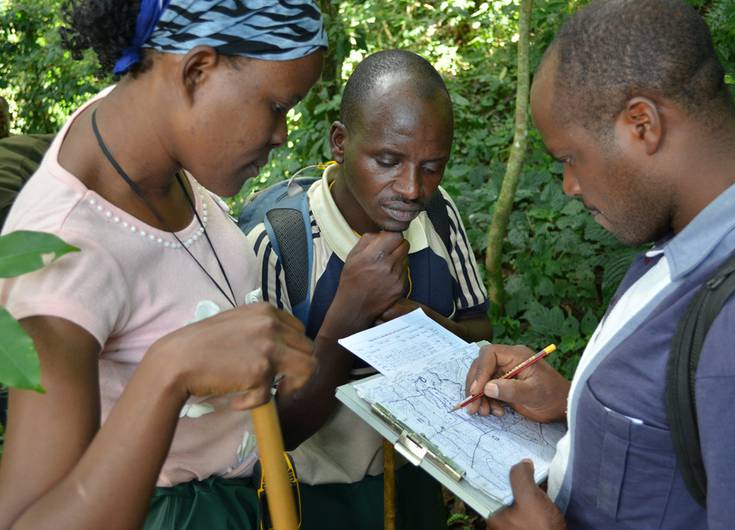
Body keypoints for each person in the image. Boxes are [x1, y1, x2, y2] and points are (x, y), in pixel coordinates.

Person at [465, 0, 735, 529]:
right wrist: (577, 402)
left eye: (570, 159)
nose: (569, 186)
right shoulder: (702, 230)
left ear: (642, 123)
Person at [0, 1, 328, 529]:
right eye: (277, 106)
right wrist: (168, 370)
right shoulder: (63, 251)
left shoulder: (152, 135)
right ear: (197, 71)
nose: (282, 135)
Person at [244, 49, 492, 529]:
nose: (411, 188)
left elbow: (478, 328)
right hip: (312, 497)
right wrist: (348, 317)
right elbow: (275, 430)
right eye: (387, 160)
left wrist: (420, 326)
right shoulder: (278, 242)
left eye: (432, 166)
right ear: (340, 142)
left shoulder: (437, 215)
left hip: (421, 474)